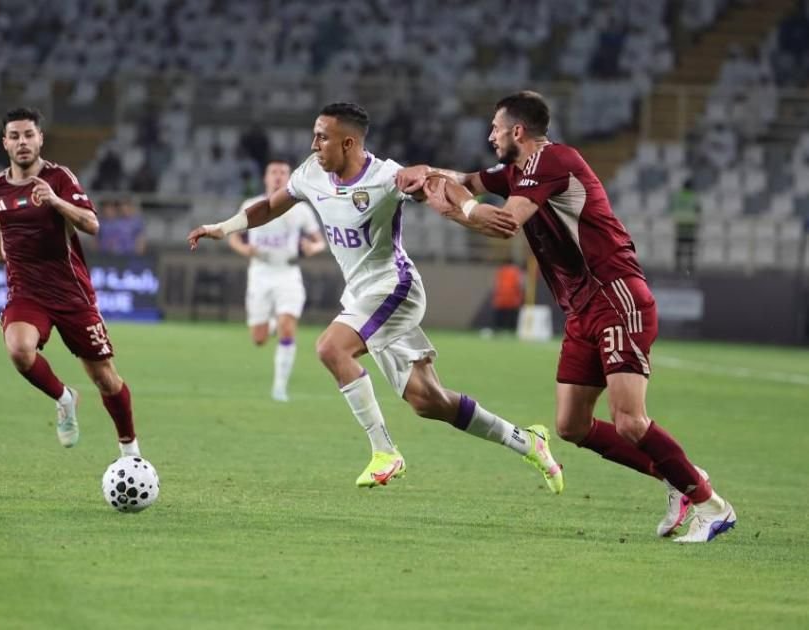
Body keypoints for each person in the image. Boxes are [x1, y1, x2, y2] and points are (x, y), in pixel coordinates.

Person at [398, 91, 735, 543]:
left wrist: (458, 209)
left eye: (496, 128)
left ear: (518, 130)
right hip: (581, 311)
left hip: (615, 296)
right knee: (572, 425)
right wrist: (428, 174)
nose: (490, 135)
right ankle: (681, 476)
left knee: (630, 420)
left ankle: (712, 506)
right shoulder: (517, 172)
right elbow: (468, 179)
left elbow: (505, 223)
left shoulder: (553, 161)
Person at [189, 102, 564, 492]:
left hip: (394, 288)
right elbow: (270, 206)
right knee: (428, 400)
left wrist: (469, 207)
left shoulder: (385, 177)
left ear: (348, 143)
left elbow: (434, 179)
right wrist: (224, 227)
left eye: (322, 137)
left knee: (331, 348)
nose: (314, 144)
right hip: (362, 296)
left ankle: (385, 452)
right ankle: (526, 441)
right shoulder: (311, 173)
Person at [0, 107, 141, 457]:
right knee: (19, 350)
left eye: (29, 135)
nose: (22, 142)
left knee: (105, 378)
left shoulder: (59, 178)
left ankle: (131, 452)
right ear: (5, 142)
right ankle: (65, 398)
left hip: (71, 294)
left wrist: (55, 201)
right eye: (15, 136)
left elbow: (92, 224)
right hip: (26, 292)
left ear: (40, 139)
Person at [226, 159, 326, 402]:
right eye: (274, 172)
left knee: (288, 327)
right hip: (260, 273)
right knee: (259, 339)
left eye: (283, 172)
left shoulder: (300, 209)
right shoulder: (251, 205)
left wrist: (312, 248)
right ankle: (272, 325)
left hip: (288, 273)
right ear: (266, 177)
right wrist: (245, 249)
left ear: (289, 177)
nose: (278, 176)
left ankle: (280, 388)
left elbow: (320, 241)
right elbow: (233, 237)